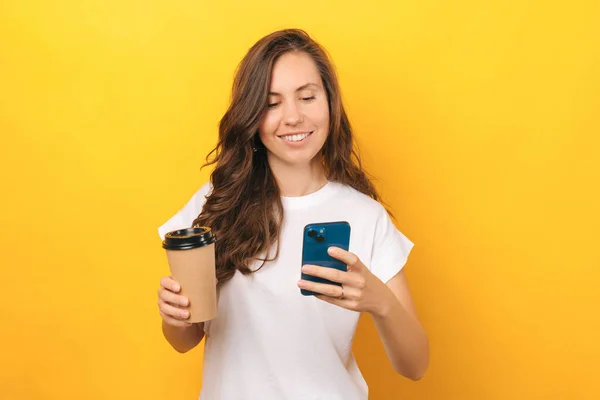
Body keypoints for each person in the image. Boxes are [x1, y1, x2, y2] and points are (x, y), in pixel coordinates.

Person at [157, 29, 429, 400]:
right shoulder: (216, 202)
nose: (293, 117)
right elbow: (184, 340)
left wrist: (378, 301)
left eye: (307, 97)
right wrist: (174, 317)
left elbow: (414, 366)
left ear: (329, 102)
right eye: (272, 103)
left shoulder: (366, 216)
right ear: (252, 115)